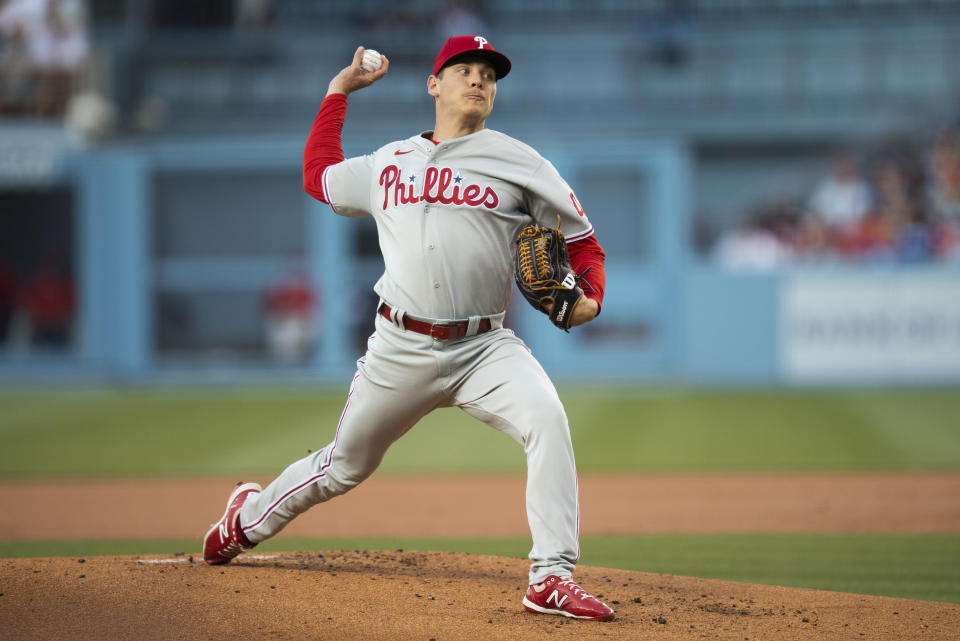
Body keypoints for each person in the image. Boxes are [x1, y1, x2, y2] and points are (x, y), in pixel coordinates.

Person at [202, 35, 613, 622]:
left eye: (489, 76)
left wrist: (590, 299)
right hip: (400, 346)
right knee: (343, 467)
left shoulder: (522, 163)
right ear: (434, 85)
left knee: (547, 417)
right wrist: (338, 92)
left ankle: (551, 576)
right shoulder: (389, 161)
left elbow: (583, 241)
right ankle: (245, 519)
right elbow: (318, 176)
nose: (478, 81)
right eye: (464, 70)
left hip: (484, 346)